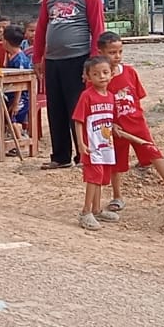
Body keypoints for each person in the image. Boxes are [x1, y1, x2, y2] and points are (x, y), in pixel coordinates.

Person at [34, 0, 107, 169]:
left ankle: (83, 154)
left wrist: (93, 64)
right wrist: (38, 57)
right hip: (53, 61)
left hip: (78, 60)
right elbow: (41, 29)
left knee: (78, 108)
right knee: (55, 108)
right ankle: (60, 156)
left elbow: (97, 29)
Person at [97, 32, 164, 204]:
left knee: (152, 151)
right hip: (115, 128)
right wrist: (110, 124)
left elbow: (137, 97)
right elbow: (96, 103)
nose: (117, 56)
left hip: (136, 123)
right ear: (100, 52)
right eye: (112, 52)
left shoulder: (130, 72)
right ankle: (117, 196)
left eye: (120, 52)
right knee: (117, 162)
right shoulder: (98, 77)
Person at [72, 56, 120, 231]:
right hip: (91, 146)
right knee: (93, 177)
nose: (102, 77)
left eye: (105, 72)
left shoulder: (111, 97)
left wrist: (114, 127)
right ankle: (85, 212)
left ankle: (97, 209)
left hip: (106, 145)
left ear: (112, 73)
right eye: (96, 74)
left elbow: (109, 119)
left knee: (101, 177)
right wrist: (80, 144)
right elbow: (78, 120)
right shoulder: (86, 96)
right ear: (88, 76)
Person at [0, 24, 32, 155]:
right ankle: (4, 137)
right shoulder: (11, 56)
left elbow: (19, 83)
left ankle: (20, 143)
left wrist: (15, 103)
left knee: (12, 117)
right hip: (9, 94)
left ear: (6, 42)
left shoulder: (19, 59)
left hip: (19, 96)